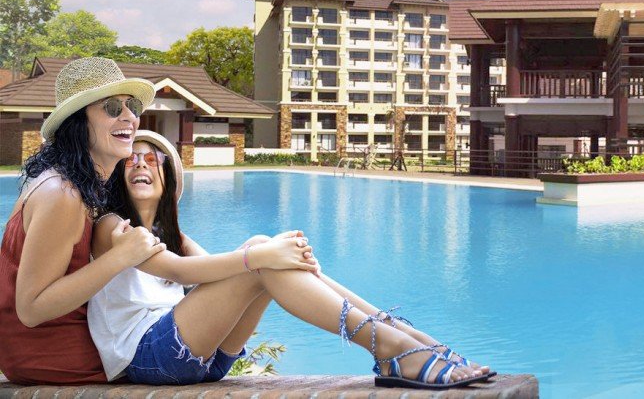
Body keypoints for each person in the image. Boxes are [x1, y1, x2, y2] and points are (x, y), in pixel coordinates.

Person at [89, 130, 494, 390]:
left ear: (169, 178)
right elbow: (178, 271)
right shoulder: (112, 226)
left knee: (266, 250)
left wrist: (286, 258)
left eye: (152, 159)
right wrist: (266, 255)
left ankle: (408, 338)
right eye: (131, 159)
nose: (140, 164)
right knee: (263, 256)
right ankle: (392, 347)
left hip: (199, 357)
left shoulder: (172, 234)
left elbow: (219, 274)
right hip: (149, 357)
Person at [0, 57, 166, 385]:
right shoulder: (63, 193)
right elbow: (31, 308)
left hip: (63, 344)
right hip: (53, 353)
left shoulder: (79, 187)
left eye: (131, 106)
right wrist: (122, 257)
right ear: (77, 122)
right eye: (111, 107)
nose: (130, 116)